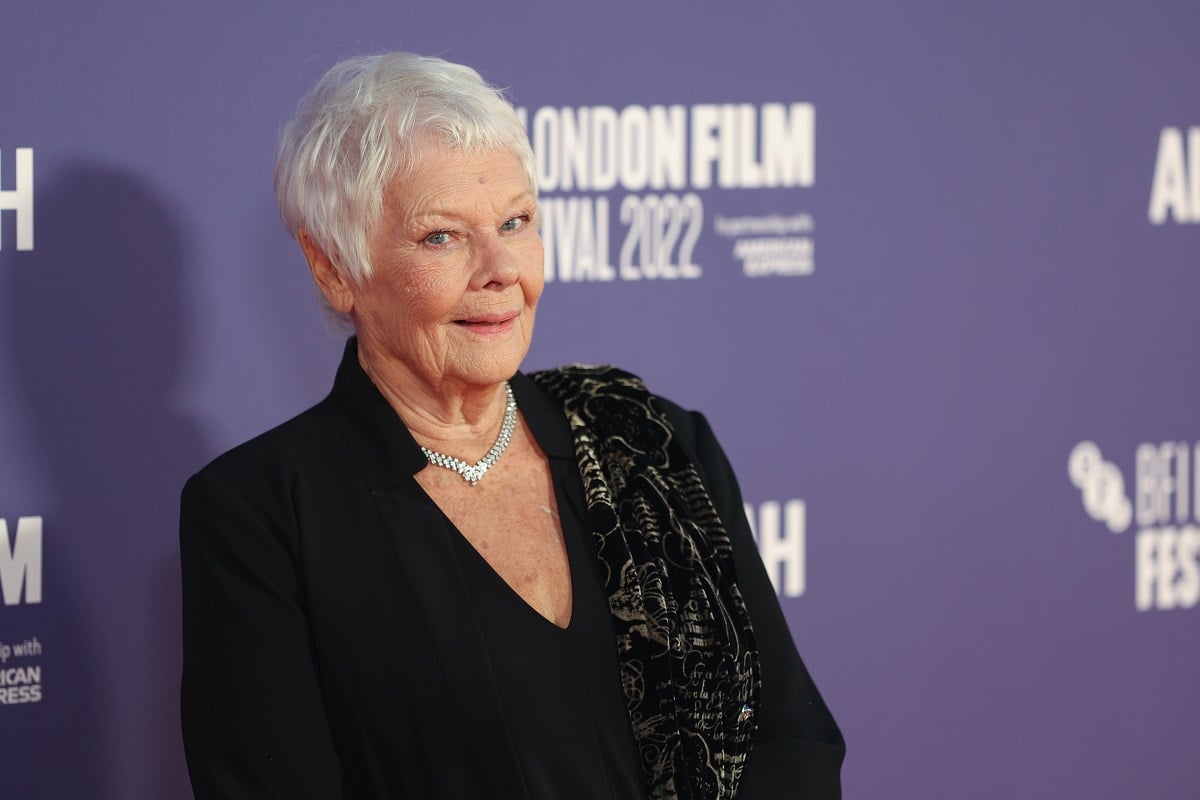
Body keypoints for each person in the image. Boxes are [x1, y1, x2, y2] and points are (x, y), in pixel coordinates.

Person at [179, 52, 843, 800]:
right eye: (442, 236)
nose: (500, 268)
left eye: (515, 222)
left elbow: (789, 736)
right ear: (333, 265)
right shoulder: (264, 513)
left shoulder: (651, 443)